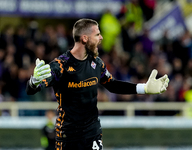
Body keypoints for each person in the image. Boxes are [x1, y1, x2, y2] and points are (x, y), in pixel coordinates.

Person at [26, 18, 169, 150]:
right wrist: (34, 81)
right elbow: (32, 90)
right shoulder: (60, 65)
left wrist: (144, 88)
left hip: (92, 133)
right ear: (84, 38)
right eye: (97, 34)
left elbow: (112, 84)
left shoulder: (97, 63)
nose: (101, 38)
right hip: (68, 136)